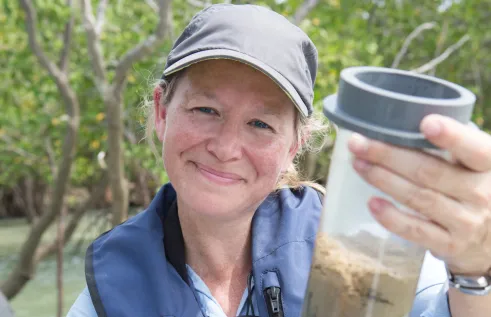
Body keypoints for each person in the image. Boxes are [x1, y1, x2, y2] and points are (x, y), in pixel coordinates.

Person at [67, 3, 491, 317]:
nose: (226, 147)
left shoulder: (356, 250)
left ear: (295, 144)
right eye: (206, 110)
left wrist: (475, 269)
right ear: (161, 112)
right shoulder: (108, 294)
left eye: (260, 124)